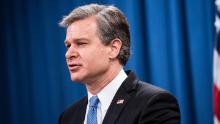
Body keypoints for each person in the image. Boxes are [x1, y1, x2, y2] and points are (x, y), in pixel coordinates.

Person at [58, 3, 180, 124]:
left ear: (113, 48)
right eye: (68, 45)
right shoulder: (68, 117)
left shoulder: (154, 104)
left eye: (81, 43)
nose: (68, 54)